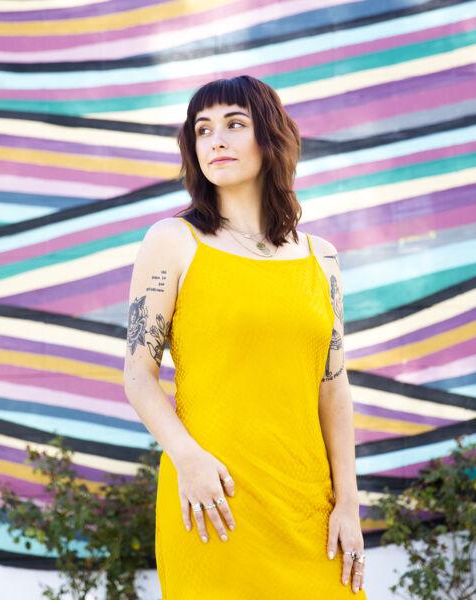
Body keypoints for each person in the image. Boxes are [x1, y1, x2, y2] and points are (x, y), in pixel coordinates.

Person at [123, 75, 368, 598]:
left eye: (235, 123)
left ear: (270, 138)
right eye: (203, 128)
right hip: (214, 499)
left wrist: (347, 499)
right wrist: (188, 459)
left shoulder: (321, 257)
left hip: (307, 502)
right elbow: (138, 375)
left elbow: (333, 386)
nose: (216, 139)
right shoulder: (173, 241)